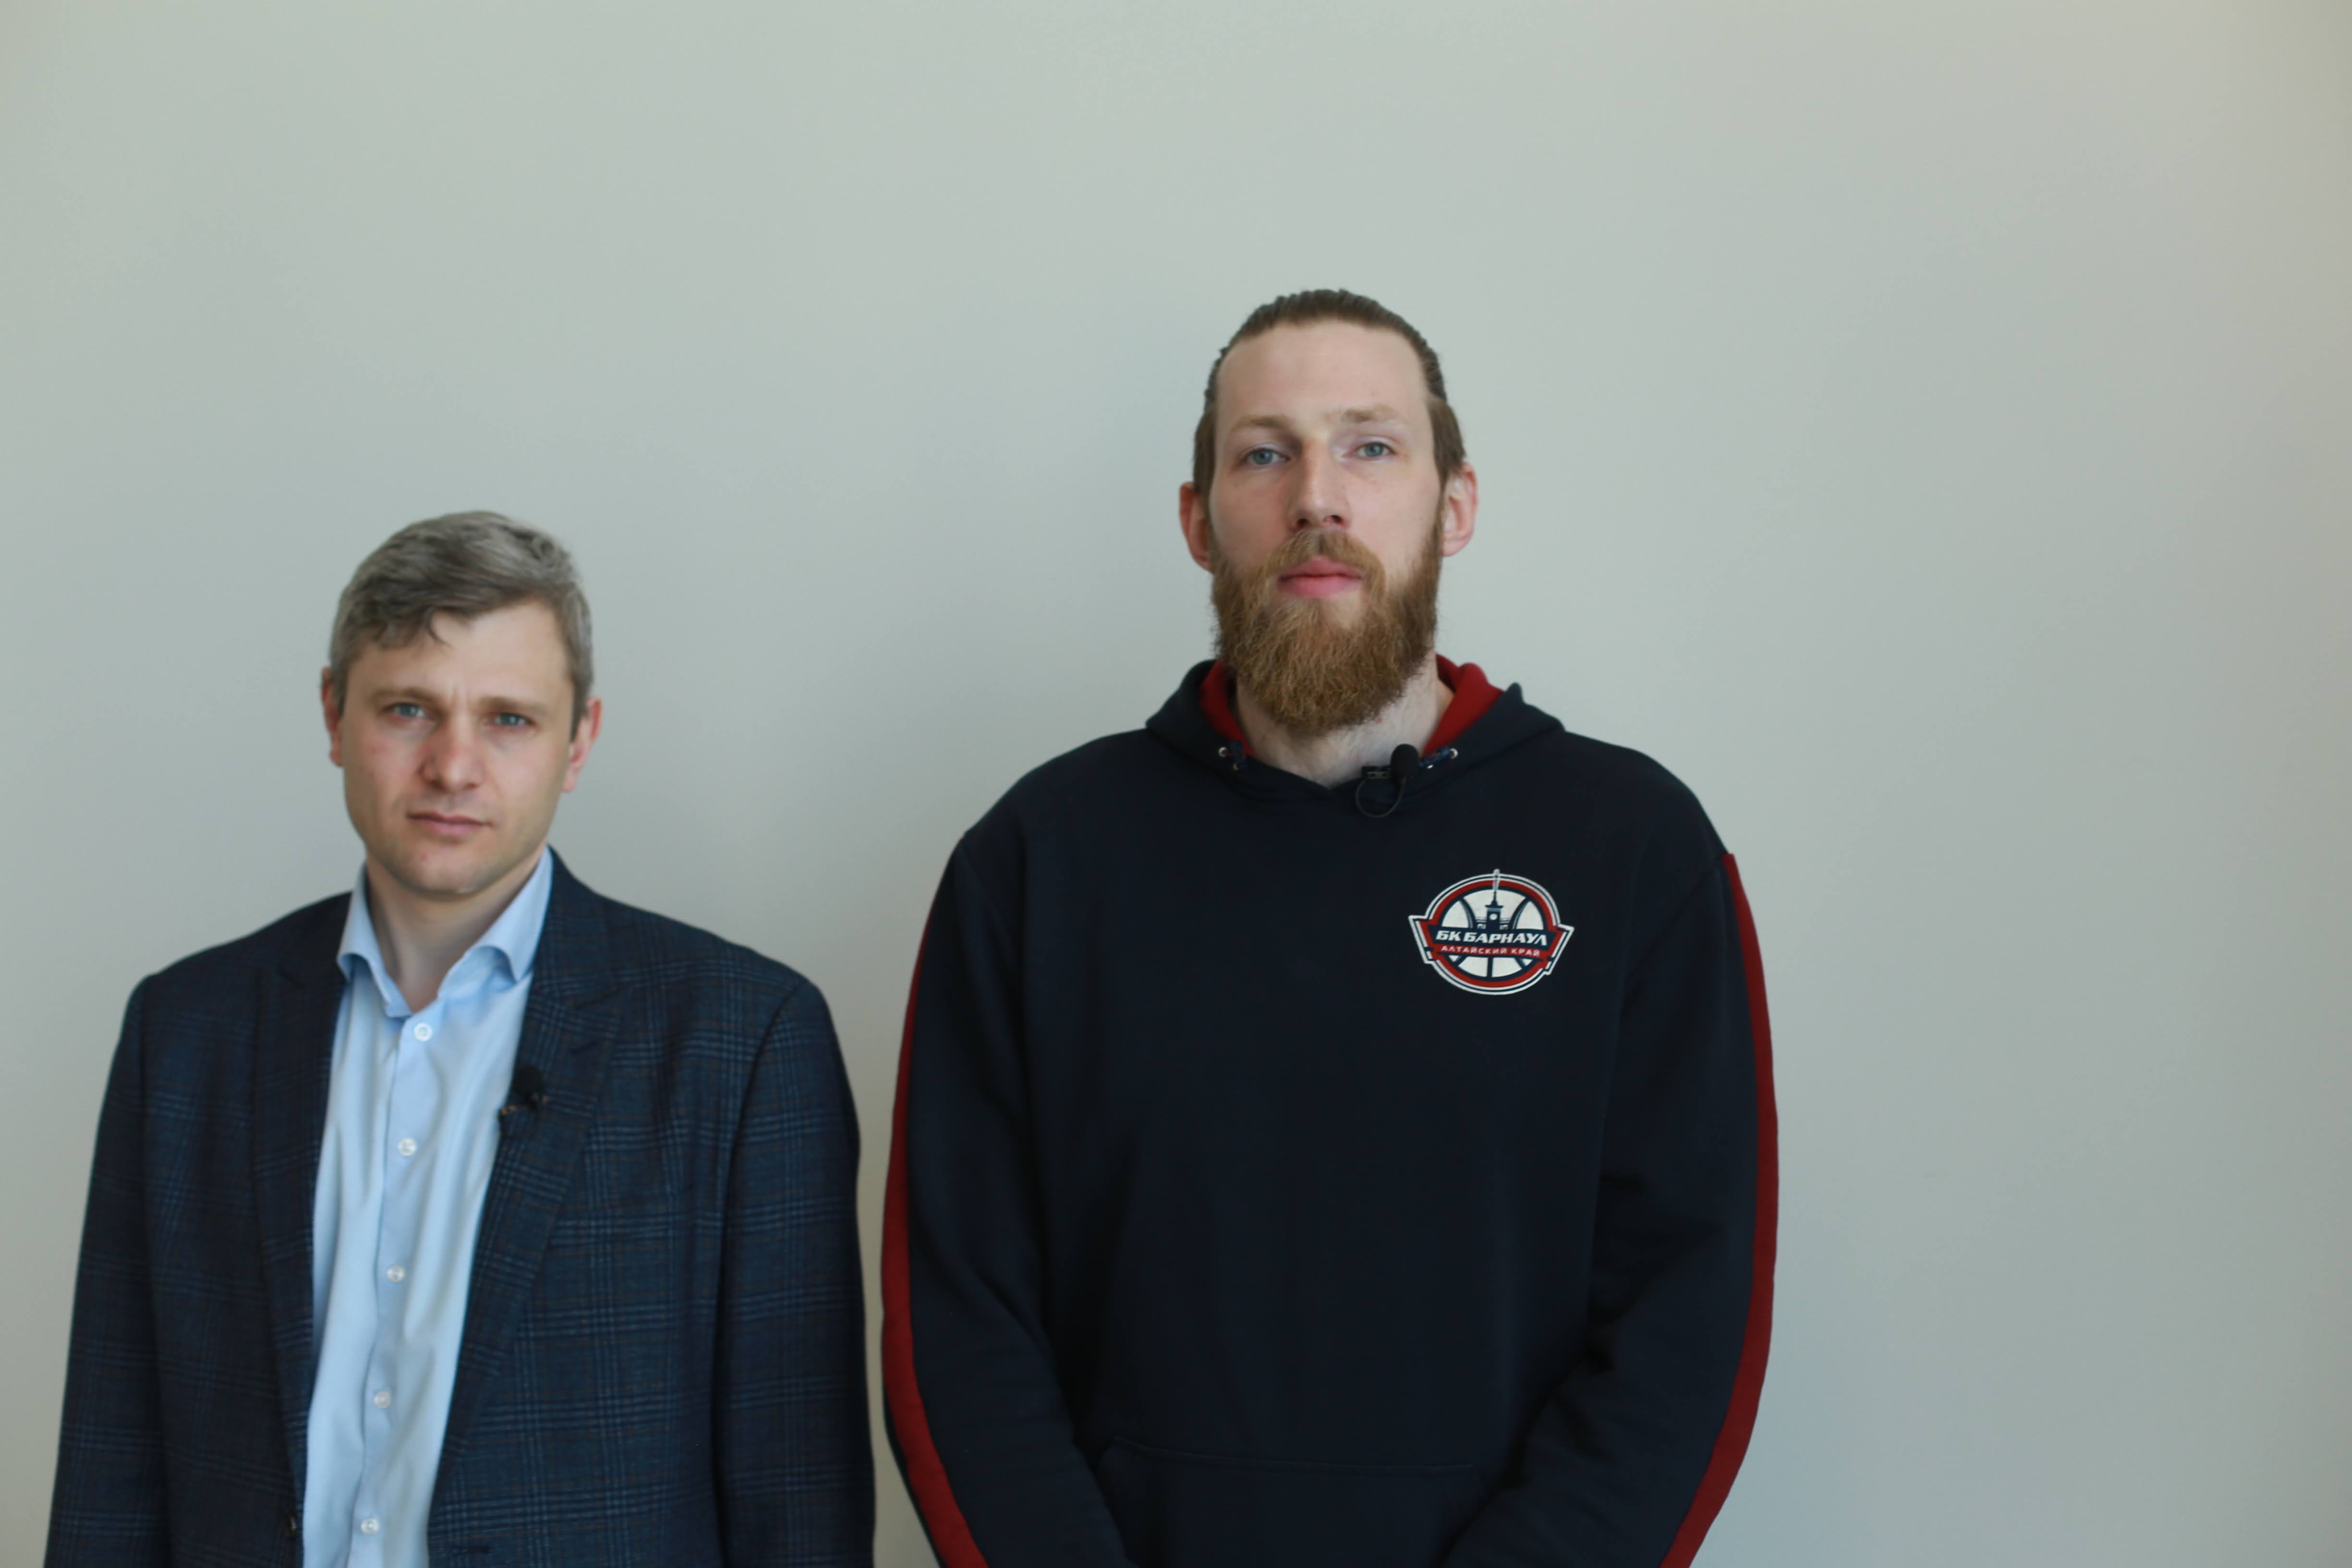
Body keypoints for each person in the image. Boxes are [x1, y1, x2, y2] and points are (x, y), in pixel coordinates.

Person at [882, 291, 1777, 1568]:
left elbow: (1688, 1316)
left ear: (1452, 505)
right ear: (1199, 521)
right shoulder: (1039, 859)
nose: (1318, 497)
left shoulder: (1631, 850)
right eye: (1264, 453)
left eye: (1370, 446)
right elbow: (959, 1320)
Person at [48, 513, 872, 1567]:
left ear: (579, 741)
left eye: (509, 719)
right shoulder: (184, 1032)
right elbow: (112, 1471)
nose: (452, 765)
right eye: (409, 709)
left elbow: (796, 1505)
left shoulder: (743, 1041)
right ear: (333, 714)